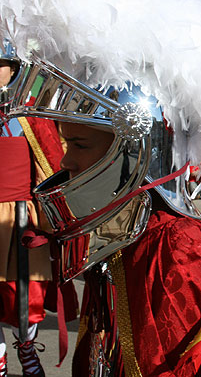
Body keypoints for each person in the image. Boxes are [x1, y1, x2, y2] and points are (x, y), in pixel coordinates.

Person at [1, 0, 201, 375]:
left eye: (79, 144)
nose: (65, 160)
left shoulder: (178, 248)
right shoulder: (119, 233)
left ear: (133, 152)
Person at [0, 40, 79, 377]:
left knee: (24, 294)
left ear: (14, 68)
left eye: (0, 63)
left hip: (21, 215)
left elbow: (54, 158)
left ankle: (27, 348)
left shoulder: (31, 110)